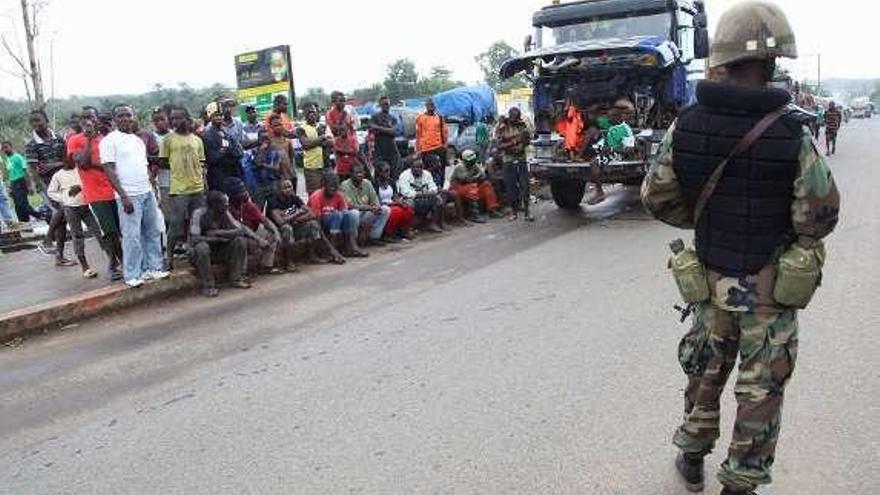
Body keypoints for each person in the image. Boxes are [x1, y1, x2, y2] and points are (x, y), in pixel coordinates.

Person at [640, 3, 840, 494]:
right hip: (769, 292)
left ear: (722, 61)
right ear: (773, 65)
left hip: (710, 283)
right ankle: (740, 482)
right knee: (761, 392)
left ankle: (691, 456)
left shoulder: (685, 125)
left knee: (704, 374)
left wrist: (703, 218)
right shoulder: (793, 132)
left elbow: (657, 196)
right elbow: (820, 213)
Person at [100, 104, 169, 288]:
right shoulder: (109, 141)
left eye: (128, 115)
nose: (125, 118)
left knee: (152, 231)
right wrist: (123, 196)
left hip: (146, 191)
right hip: (128, 195)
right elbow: (109, 169)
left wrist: (150, 188)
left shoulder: (138, 140)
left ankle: (153, 268)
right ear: (114, 119)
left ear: (133, 117)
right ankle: (132, 273)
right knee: (132, 236)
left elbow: (144, 166)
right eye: (120, 115)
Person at [67, 108, 124, 280]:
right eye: (84, 118)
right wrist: (90, 140)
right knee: (109, 231)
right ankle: (113, 263)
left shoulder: (105, 140)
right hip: (96, 194)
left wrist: (100, 165)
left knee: (119, 230)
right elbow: (83, 163)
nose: (88, 121)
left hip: (115, 191)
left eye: (91, 117)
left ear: (97, 119)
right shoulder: (75, 140)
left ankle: (122, 261)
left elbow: (113, 166)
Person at [46, 156, 112, 278]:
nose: (71, 161)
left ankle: (113, 261)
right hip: (70, 209)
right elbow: (51, 192)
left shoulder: (79, 170)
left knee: (99, 232)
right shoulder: (58, 175)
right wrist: (64, 197)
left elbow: (88, 181)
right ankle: (85, 267)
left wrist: (80, 187)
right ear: (63, 161)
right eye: (68, 159)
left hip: (86, 206)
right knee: (77, 236)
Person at [158, 106, 206, 269]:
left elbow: (202, 163)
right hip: (179, 189)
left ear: (187, 118)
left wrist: (203, 182)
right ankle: (169, 257)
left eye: (179, 118)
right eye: (173, 119)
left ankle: (195, 254)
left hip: (197, 188)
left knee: (197, 223)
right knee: (176, 224)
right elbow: (163, 161)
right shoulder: (168, 140)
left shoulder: (197, 140)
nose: (176, 121)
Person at [268, 178, 344, 267]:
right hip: (277, 229)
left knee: (313, 224)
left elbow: (312, 214)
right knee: (287, 228)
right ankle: (289, 260)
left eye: (290, 187)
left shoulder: (294, 198)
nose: (288, 190)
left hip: (295, 224)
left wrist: (294, 218)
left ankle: (311, 255)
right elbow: (280, 221)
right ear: (279, 189)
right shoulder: (273, 200)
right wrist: (297, 213)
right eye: (285, 188)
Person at [189, 191, 251, 297]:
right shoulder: (199, 214)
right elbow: (194, 238)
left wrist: (219, 233)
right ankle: (209, 286)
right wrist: (215, 239)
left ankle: (236, 278)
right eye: (224, 203)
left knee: (240, 241)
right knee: (202, 248)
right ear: (215, 205)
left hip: (220, 249)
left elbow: (240, 230)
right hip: (201, 255)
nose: (227, 205)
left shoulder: (225, 212)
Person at [25, 108, 68, 256]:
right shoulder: (32, 145)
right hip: (46, 184)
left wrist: (54, 165)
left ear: (46, 120)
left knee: (62, 220)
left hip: (63, 182)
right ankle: (47, 240)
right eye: (32, 121)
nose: (35, 123)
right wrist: (46, 191)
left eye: (38, 120)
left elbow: (67, 161)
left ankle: (59, 256)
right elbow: (34, 172)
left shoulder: (59, 139)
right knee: (63, 209)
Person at [224, 177, 283, 275]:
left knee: (271, 235)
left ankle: (266, 266)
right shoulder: (226, 208)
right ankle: (241, 273)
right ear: (233, 195)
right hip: (234, 237)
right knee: (249, 243)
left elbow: (264, 220)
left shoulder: (248, 205)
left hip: (251, 233)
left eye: (244, 189)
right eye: (241, 191)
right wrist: (258, 239)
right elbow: (242, 228)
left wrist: (276, 233)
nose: (246, 192)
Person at [307, 173, 367, 258]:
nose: (333, 189)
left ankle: (350, 246)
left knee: (348, 214)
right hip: (321, 223)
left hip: (336, 222)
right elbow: (317, 222)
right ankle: (332, 249)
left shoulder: (339, 194)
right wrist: (330, 247)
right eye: (331, 186)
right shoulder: (316, 196)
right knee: (337, 215)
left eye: (335, 187)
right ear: (324, 185)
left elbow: (345, 213)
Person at [589, 99, 636, 205]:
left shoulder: (625, 129)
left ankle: (599, 193)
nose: (608, 119)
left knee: (594, 163)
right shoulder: (610, 125)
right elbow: (593, 117)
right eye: (608, 116)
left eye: (612, 117)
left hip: (617, 154)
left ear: (618, 117)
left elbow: (629, 150)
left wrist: (611, 149)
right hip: (607, 150)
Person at [495, 107, 533, 221]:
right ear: (510, 116)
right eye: (514, 117)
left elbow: (527, 140)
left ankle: (527, 211)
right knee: (511, 187)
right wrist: (515, 142)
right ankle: (514, 212)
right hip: (508, 159)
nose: (516, 120)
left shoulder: (522, 125)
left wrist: (522, 142)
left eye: (517, 117)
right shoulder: (502, 127)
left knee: (525, 186)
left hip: (521, 158)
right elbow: (498, 145)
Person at [341, 164, 390, 246]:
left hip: (365, 213)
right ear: (351, 174)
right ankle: (353, 241)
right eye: (357, 173)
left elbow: (375, 200)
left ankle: (374, 237)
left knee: (385, 209)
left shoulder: (367, 183)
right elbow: (349, 206)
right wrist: (369, 208)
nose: (360, 175)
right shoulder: (345, 185)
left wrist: (376, 207)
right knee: (354, 213)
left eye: (361, 172)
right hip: (351, 216)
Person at [449, 149, 501, 222]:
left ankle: (492, 210)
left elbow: (483, 176)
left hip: (470, 187)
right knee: (472, 187)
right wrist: (477, 176)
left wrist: (477, 174)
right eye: (470, 160)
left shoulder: (474, 164)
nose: (472, 162)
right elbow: (467, 180)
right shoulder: (460, 166)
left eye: (473, 160)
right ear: (465, 160)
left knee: (486, 184)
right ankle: (474, 215)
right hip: (457, 189)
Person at [203, 102, 244, 191]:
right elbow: (210, 157)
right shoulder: (207, 134)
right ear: (210, 117)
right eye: (215, 115)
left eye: (220, 115)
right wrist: (223, 151)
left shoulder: (226, 131)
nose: (219, 118)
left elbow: (238, 151)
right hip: (218, 175)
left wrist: (229, 149)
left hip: (233, 171)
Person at [397, 158, 443, 233]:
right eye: (415, 167)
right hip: (411, 198)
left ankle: (433, 224)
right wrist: (420, 194)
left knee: (438, 200)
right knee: (409, 203)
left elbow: (433, 187)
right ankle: (409, 228)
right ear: (411, 167)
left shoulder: (427, 174)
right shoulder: (404, 175)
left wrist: (430, 192)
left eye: (420, 167)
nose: (418, 169)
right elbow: (405, 192)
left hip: (426, 197)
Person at [3, 140, 42, 225]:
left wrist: (29, 185)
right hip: (13, 183)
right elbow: (11, 173)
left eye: (6, 147)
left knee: (23, 204)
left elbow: (25, 171)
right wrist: (10, 187)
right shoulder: (8, 159)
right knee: (17, 206)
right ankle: (25, 223)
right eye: (3, 148)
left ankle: (40, 216)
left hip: (20, 182)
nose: (5, 150)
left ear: (11, 147)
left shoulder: (18, 157)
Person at [373, 160, 413, 240]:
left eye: (389, 171)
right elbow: (377, 201)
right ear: (379, 173)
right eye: (385, 171)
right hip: (383, 206)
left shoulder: (391, 182)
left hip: (393, 203)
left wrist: (400, 201)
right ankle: (388, 234)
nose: (388, 174)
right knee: (396, 211)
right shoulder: (375, 184)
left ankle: (404, 231)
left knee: (407, 208)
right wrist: (395, 203)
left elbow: (395, 196)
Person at [297, 105, 332, 194]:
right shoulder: (301, 129)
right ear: (305, 115)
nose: (312, 114)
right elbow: (306, 144)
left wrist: (314, 142)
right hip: (312, 168)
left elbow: (330, 142)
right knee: (314, 194)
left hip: (326, 165)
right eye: (309, 113)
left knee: (328, 192)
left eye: (314, 112)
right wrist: (322, 138)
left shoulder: (323, 126)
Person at [415, 98, 448, 186]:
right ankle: (428, 188)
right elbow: (418, 135)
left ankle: (440, 186)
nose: (431, 106)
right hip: (426, 149)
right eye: (429, 104)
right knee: (427, 171)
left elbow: (445, 132)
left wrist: (445, 145)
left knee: (441, 170)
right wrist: (418, 150)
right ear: (426, 106)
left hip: (439, 148)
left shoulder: (440, 118)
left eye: (432, 104)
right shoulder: (420, 118)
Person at [369, 95, 402, 178]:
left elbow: (394, 132)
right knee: (380, 171)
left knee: (394, 171)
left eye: (388, 104)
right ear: (380, 105)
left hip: (392, 149)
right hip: (379, 149)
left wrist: (379, 128)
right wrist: (388, 130)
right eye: (384, 104)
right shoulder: (375, 117)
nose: (387, 106)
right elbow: (371, 128)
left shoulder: (393, 118)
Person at [250, 130, 282, 210]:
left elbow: (276, 168)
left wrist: (263, 165)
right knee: (258, 209)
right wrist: (261, 150)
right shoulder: (254, 151)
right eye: (262, 138)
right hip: (258, 185)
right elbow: (256, 163)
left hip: (271, 184)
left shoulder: (275, 151)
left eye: (267, 138)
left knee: (273, 210)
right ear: (259, 139)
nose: (265, 140)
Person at [151, 108, 173, 218]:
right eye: (156, 120)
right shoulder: (151, 137)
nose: (160, 123)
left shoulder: (175, 135)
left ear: (167, 119)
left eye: (162, 119)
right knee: (167, 214)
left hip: (180, 180)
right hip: (163, 181)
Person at [267, 114, 295, 181]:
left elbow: (291, 158)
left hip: (290, 176)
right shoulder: (268, 141)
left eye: (280, 124)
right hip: (276, 178)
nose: (279, 127)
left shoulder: (287, 140)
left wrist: (292, 172)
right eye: (276, 125)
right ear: (271, 127)